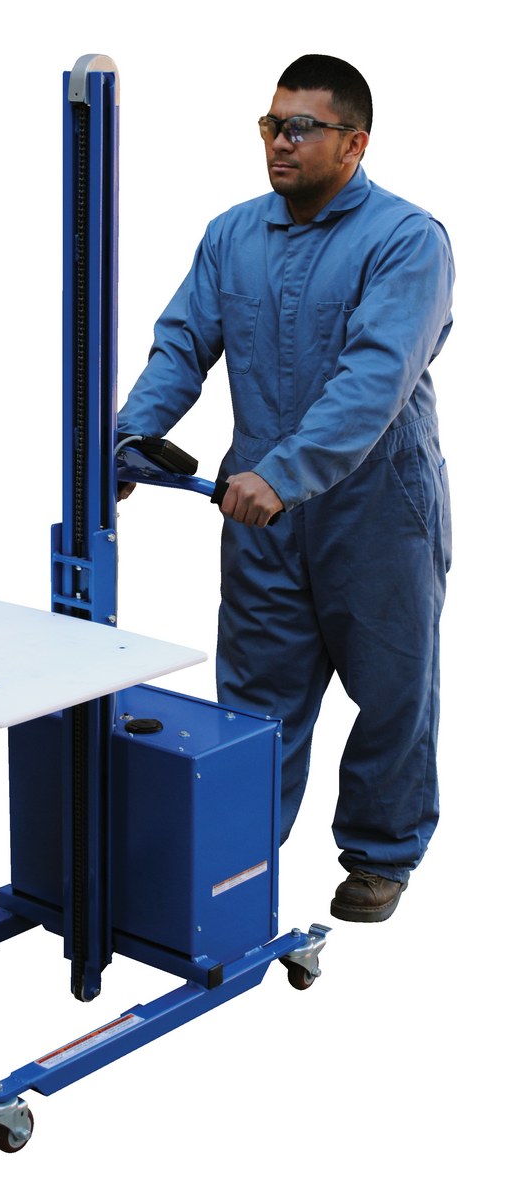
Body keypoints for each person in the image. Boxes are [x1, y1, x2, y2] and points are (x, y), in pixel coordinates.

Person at [116, 54, 454, 922]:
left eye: (300, 127)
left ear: (353, 143)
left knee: (390, 692)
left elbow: (373, 379)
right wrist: (126, 439)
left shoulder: (405, 240)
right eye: (270, 124)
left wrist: (284, 473)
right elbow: (182, 344)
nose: (278, 142)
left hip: (376, 510)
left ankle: (380, 854)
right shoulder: (232, 235)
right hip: (258, 513)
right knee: (256, 700)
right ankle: (236, 858)